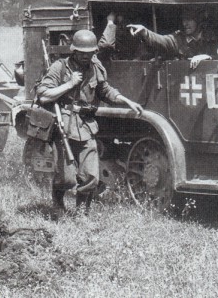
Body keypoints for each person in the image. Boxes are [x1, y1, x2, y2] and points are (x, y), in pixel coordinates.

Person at [36, 29, 143, 213]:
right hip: (64, 126)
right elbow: (43, 95)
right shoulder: (59, 67)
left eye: (90, 53)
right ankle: (57, 201)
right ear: (74, 51)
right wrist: (69, 84)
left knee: (91, 176)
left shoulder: (95, 66)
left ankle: (82, 212)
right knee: (66, 178)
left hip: (86, 126)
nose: (87, 57)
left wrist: (126, 101)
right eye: (82, 53)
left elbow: (105, 90)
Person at [126, 8, 216, 68]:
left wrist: (207, 57)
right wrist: (145, 32)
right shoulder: (179, 38)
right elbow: (162, 40)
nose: (185, 23)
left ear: (198, 21)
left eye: (189, 19)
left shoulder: (211, 38)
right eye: (184, 19)